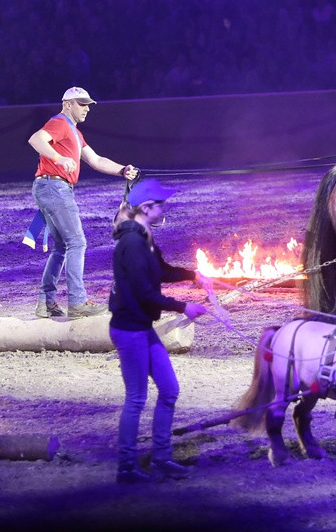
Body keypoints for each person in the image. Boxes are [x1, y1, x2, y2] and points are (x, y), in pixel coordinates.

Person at [109, 178, 210, 483]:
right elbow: (146, 294)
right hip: (130, 330)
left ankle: (162, 458)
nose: (165, 207)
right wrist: (184, 308)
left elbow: (162, 270)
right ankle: (126, 468)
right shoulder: (133, 244)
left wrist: (194, 275)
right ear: (146, 207)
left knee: (169, 390)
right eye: (161, 203)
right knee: (137, 398)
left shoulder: (145, 237)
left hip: (141, 327)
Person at [28, 86, 139, 320]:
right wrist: (58, 158)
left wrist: (122, 170)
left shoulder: (75, 133)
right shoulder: (60, 123)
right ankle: (77, 303)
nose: (87, 108)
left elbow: (96, 160)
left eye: (88, 104)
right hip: (55, 187)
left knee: (61, 247)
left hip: (49, 187)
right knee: (77, 243)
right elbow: (36, 139)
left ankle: (46, 303)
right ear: (67, 104)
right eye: (82, 103)